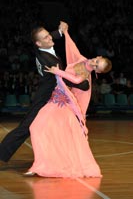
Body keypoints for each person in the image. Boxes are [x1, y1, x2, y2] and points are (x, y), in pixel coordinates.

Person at [24, 30, 112, 178]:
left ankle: (40, 166)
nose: (94, 63)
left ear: (97, 71)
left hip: (63, 106)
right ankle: (41, 164)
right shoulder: (81, 59)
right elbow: (72, 48)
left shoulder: (86, 75)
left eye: (97, 66)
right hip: (54, 100)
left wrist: (57, 72)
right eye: (97, 61)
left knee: (39, 129)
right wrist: (65, 32)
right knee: (38, 129)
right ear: (98, 57)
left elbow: (76, 80)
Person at [0, 21, 89, 165]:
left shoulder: (40, 48)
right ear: (39, 44)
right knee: (25, 128)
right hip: (44, 99)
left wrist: (60, 31)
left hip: (53, 98)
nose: (50, 38)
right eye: (46, 38)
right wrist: (83, 84)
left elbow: (48, 37)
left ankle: (55, 157)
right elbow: (64, 78)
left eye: (49, 35)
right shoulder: (48, 61)